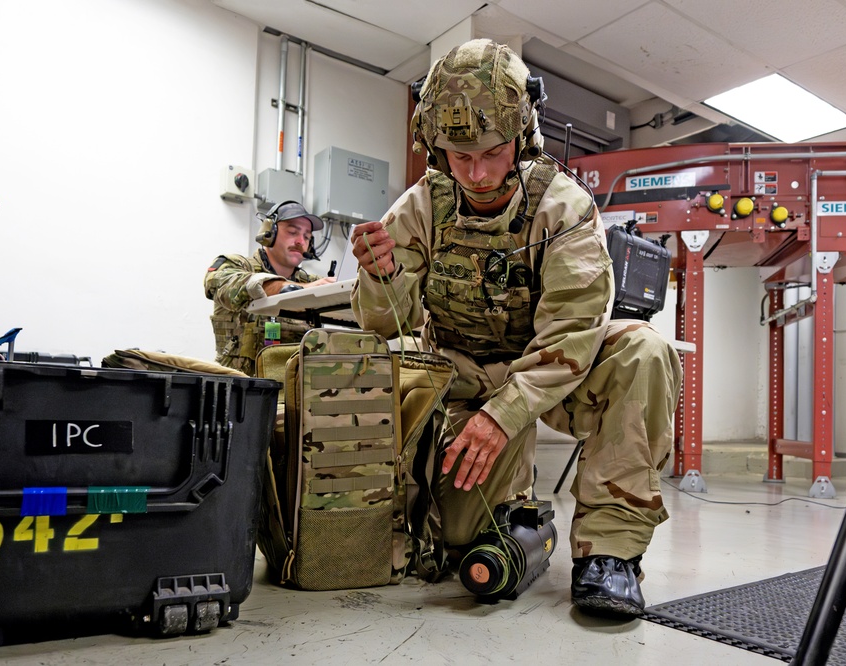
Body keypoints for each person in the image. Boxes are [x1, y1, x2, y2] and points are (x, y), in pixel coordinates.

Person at [348, 39, 682, 618]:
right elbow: (379, 322)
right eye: (459, 156)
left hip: (552, 372)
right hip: (462, 376)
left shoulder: (564, 207)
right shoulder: (422, 205)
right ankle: (519, 515)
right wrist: (381, 275)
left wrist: (503, 418)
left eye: (494, 153)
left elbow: (573, 332)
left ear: (521, 138)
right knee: (460, 546)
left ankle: (609, 556)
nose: (477, 173)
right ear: (435, 146)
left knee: (642, 351)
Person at [204, 200, 335, 375]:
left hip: (295, 390)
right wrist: (297, 290)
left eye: (306, 236)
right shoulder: (235, 266)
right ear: (269, 233)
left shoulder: (312, 282)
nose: (300, 241)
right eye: (292, 232)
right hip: (241, 389)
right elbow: (217, 281)